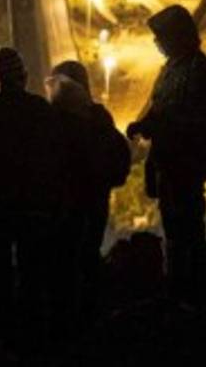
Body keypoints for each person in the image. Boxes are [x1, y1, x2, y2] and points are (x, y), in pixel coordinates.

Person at [126, 5, 206, 303]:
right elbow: (162, 107)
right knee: (175, 229)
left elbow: (194, 118)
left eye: (161, 37)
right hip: (169, 164)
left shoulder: (198, 71)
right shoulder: (174, 67)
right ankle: (179, 291)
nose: (157, 43)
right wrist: (145, 124)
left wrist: (159, 126)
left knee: (188, 231)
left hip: (186, 165)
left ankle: (191, 293)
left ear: (177, 36)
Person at [0, 48, 62, 346]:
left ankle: (1, 331)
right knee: (33, 271)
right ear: (24, 77)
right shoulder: (40, 109)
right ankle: (34, 332)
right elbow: (54, 153)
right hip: (34, 206)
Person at [45, 61, 130, 336]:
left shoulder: (56, 122)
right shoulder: (99, 119)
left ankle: (70, 323)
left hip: (67, 205)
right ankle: (89, 320)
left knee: (66, 261)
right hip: (94, 201)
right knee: (86, 257)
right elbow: (119, 158)